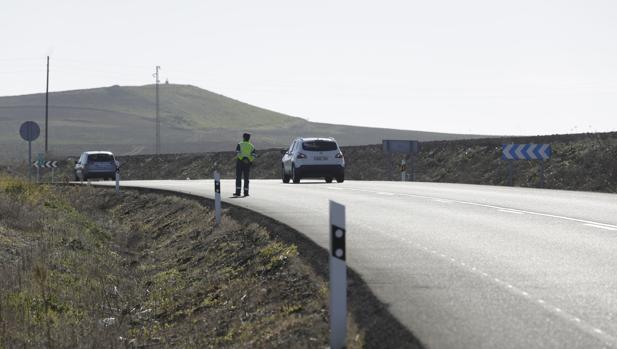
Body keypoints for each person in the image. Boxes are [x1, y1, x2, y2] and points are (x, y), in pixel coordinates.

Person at [234, 132, 256, 197]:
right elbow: (254, 156)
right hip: (247, 163)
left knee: (238, 177)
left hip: (240, 162)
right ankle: (246, 192)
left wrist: (242, 159)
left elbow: (238, 153)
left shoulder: (240, 144)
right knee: (246, 178)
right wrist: (249, 160)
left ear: (243, 137)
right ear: (249, 138)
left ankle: (238, 192)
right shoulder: (252, 146)